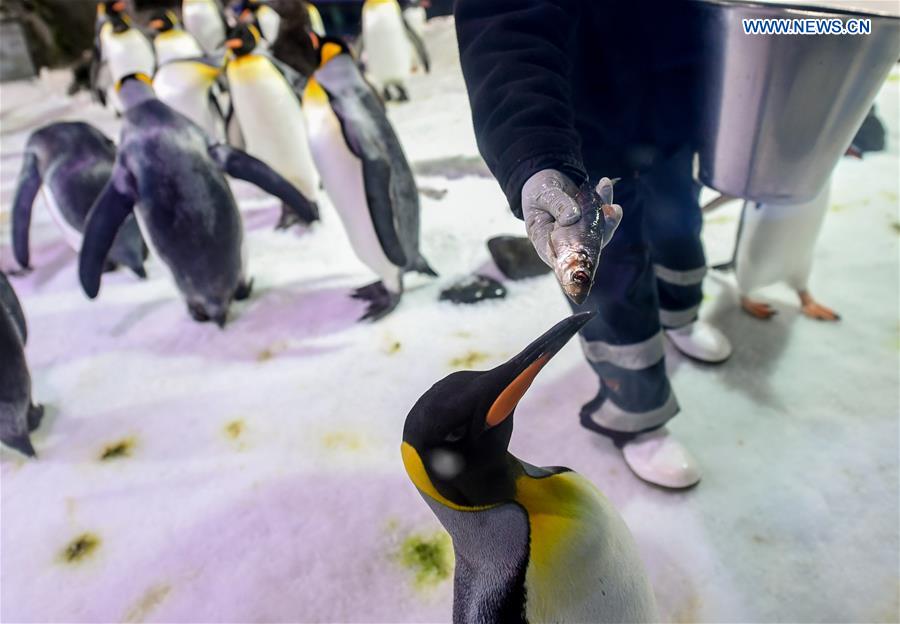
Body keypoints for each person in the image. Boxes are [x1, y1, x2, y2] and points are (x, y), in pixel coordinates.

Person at [455, 0, 732, 489]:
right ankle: (636, 410)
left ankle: (681, 314)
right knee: (613, 277)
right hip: (585, 131)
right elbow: (502, 21)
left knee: (680, 224)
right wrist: (534, 153)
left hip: (677, 107)